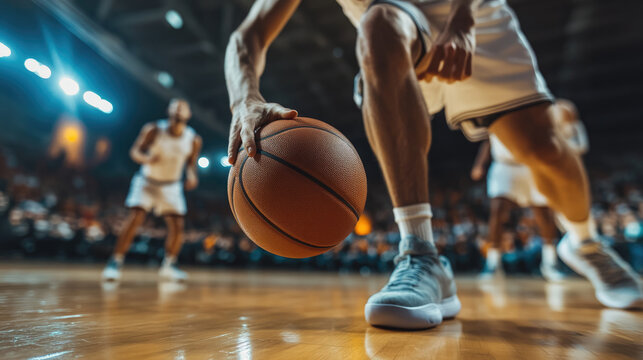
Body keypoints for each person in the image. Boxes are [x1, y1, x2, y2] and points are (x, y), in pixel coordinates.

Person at [225, 0, 643, 329]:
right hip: (396, 26)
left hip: (472, 12)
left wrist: (461, 17)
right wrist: (245, 97)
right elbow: (247, 37)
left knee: (545, 149)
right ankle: (420, 253)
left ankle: (586, 243)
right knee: (378, 25)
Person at [471, 99, 589, 282]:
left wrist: (568, 125)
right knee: (498, 210)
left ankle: (550, 263)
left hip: (530, 164)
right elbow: (488, 139)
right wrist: (480, 163)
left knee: (544, 214)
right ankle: (493, 264)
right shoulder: (497, 103)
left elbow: (573, 143)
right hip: (504, 165)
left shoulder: (538, 106)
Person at [102, 99, 202, 282]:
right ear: (169, 110)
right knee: (135, 218)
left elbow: (191, 164)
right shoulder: (154, 129)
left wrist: (192, 176)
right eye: (176, 105)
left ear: (189, 114)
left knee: (178, 225)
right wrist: (146, 158)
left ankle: (169, 265)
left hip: (172, 184)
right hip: (147, 181)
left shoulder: (193, 139)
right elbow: (135, 152)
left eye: (184, 106)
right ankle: (115, 262)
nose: (179, 108)